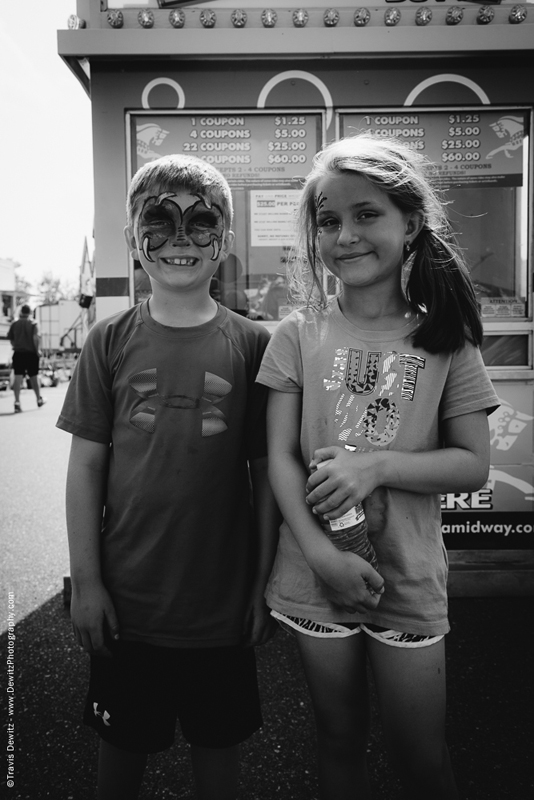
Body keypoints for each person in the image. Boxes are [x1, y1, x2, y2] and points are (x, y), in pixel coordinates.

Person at [256, 135, 499, 800]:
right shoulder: (296, 333)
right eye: (329, 220)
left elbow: (472, 464)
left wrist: (376, 467)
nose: (346, 235)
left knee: (420, 757)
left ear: (410, 223)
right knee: (336, 739)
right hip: (313, 577)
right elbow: (279, 455)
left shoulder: (446, 338)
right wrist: (319, 553)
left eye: (367, 214)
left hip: (409, 580)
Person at [57, 154, 279, 800]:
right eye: (160, 220)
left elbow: (264, 477)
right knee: (119, 760)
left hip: (220, 613)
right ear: (132, 239)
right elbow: (86, 469)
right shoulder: (108, 341)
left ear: (225, 241)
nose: (181, 239)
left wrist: (261, 584)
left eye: (201, 222)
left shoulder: (252, 346)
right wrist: (88, 582)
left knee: (219, 760)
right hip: (128, 610)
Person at [8, 303, 46, 412]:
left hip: (18, 353)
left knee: (18, 377)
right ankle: (39, 399)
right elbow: (35, 338)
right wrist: (37, 350)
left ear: (21, 312)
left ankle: (17, 402)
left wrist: (17, 345)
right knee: (34, 376)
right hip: (31, 353)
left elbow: (11, 339)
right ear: (30, 312)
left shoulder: (14, 324)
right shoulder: (34, 324)